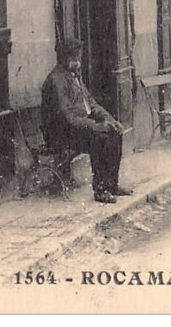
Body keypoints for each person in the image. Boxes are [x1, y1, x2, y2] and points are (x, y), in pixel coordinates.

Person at [41, 38, 133, 204]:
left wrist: (111, 120)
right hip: (60, 133)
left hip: (77, 127)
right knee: (99, 138)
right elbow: (67, 116)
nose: (79, 60)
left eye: (79, 56)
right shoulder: (56, 80)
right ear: (65, 57)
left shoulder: (74, 76)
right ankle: (100, 190)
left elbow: (91, 103)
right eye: (76, 56)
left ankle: (112, 185)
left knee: (115, 132)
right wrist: (96, 126)